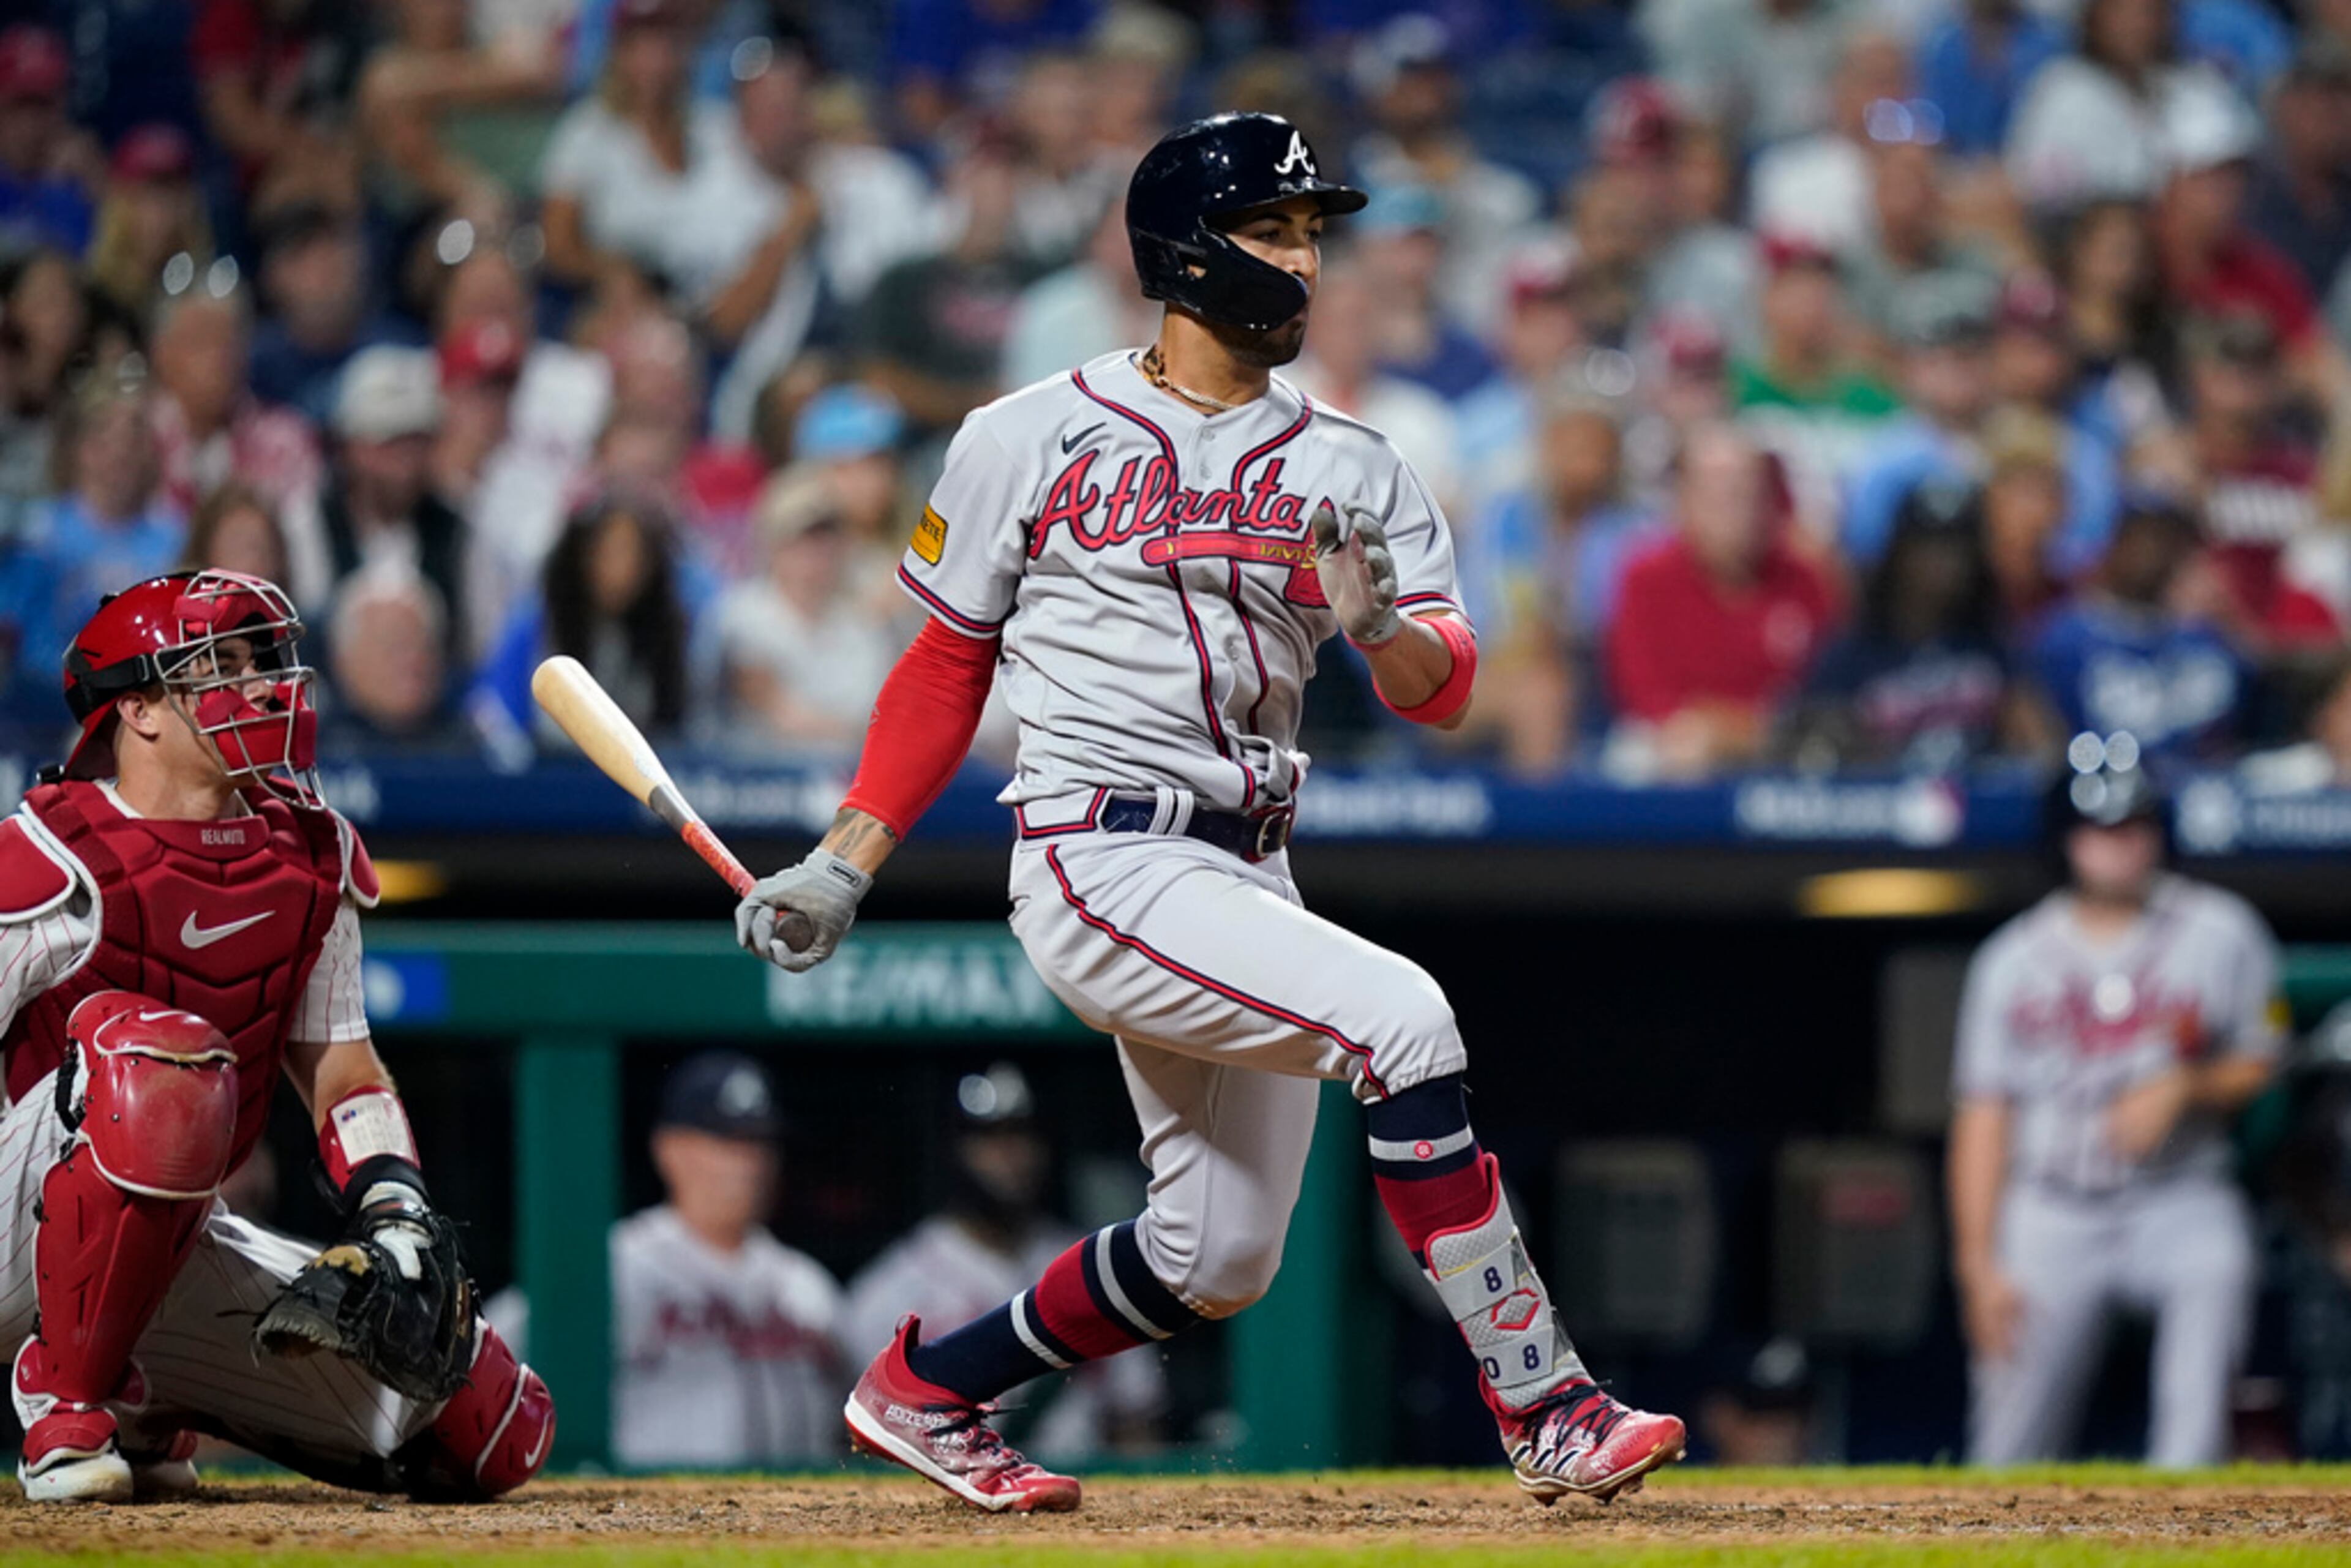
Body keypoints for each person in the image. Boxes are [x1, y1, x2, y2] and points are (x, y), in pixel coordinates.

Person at [732, 111, 1685, 1515]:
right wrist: (844, 853)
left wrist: (1373, 631)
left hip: (1246, 861)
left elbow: (1442, 688)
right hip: (1096, 845)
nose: (1305, 260)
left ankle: (930, 1388)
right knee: (1404, 1018)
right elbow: (943, 665)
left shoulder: (1358, 461)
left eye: (1313, 234)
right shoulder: (1024, 432)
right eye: (1275, 231)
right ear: (1184, 256)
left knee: (1215, 1252)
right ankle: (1544, 1400)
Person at [0, 568, 550, 1501]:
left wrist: (396, 1208)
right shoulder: (48, 850)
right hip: (20, 1220)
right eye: (223, 665)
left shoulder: (308, 854)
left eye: (266, 661)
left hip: (163, 1240)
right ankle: (63, 1399)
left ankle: (135, 1389)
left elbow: (341, 1066)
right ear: (136, 707)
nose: (264, 686)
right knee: (156, 1056)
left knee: (488, 1422)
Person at [1949, 735, 2282, 1465]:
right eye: (2100, 830)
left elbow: (2265, 1060)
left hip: (2179, 1193)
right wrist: (1979, 1265)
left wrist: (2189, 1083)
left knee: (2218, 1265)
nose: (2119, 847)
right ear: (2067, 839)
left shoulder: (2224, 930)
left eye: (2133, 826)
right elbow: (1983, 1116)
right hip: (2053, 1203)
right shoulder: (2012, 957)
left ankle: (2184, 1514)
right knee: (2008, 1446)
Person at [490, 1052, 847, 1467]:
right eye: (726, 1141)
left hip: (798, 1522)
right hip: (651, 1522)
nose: (748, 1164)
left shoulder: (806, 1286)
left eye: (758, 1143)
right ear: (669, 1148)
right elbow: (486, 1367)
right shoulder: (613, 1265)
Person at [841, 1063, 1164, 1460]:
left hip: (1082, 1496)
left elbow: (1136, 1422)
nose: (1012, 1154)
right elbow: (865, 1443)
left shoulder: (1092, 1263)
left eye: (1022, 1132)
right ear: (954, 1148)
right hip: (954, 1504)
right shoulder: (891, 1289)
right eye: (990, 1137)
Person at [1605, 424, 1840, 779]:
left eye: (1747, 493)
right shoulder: (1645, 576)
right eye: (1718, 497)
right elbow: (1644, 693)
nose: (1737, 512)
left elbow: (1827, 692)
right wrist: (1711, 729)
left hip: (1780, 743)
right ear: (1684, 502)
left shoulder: (1806, 580)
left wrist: (1741, 731)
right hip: (1676, 742)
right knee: (1655, 754)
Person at [1782, 478, 2044, 770]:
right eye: (1928, 548)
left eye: (1957, 550)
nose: (1943, 564)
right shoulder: (1851, 655)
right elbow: (1815, 754)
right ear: (1899, 554)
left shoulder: (1992, 645)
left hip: (1981, 806)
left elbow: (2038, 746)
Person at [2027, 491, 2248, 763]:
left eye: (2169, 540)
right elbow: (2043, 749)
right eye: (2143, 538)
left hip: (2204, 796)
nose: (2154, 553)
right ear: (2114, 543)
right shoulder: (2062, 640)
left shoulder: (2205, 641)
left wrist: (2232, 623)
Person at [715, 467, 902, 753]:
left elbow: (883, 721)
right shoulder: (741, 615)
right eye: (803, 537)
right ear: (774, 544)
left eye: (828, 538)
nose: (816, 553)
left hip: (845, 778)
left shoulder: (864, 628)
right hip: (749, 783)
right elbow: (777, 712)